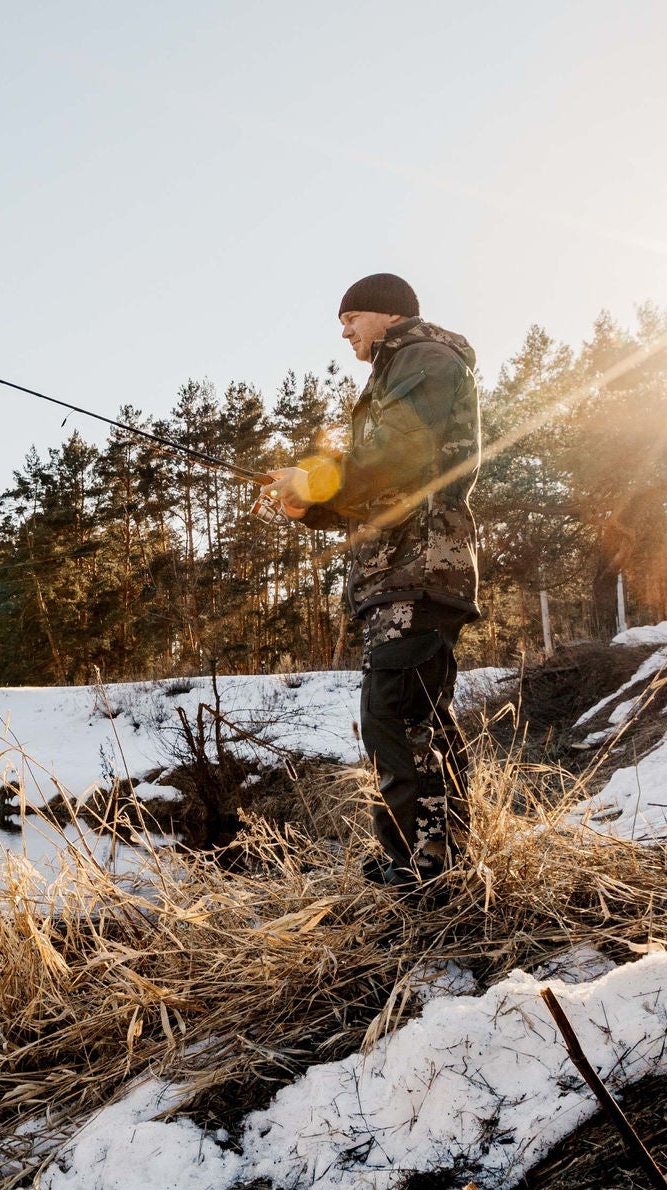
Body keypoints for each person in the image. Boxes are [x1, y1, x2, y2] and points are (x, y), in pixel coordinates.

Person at [266, 273, 481, 889]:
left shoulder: (426, 359)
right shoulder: (396, 372)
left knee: (394, 712)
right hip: (400, 573)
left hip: (420, 570)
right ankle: (433, 861)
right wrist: (313, 507)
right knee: (409, 716)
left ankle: (420, 868)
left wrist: (316, 480)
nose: (344, 332)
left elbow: (400, 454)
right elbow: (384, 489)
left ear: (386, 314)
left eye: (351, 317)